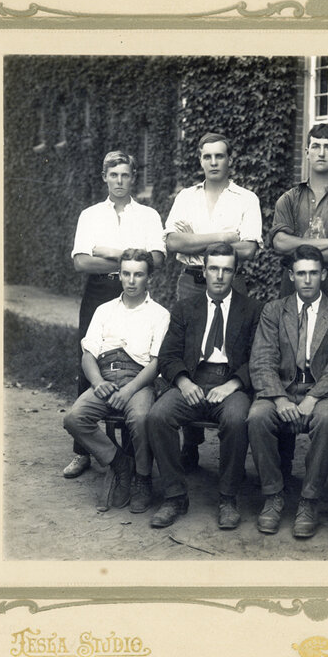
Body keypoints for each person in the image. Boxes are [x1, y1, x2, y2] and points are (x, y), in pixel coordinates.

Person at [164, 132, 263, 472]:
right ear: (200, 159)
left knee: (232, 351)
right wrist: (222, 237)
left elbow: (248, 248)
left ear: (229, 159)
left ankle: (230, 441)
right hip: (191, 283)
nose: (213, 162)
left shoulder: (245, 198)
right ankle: (190, 444)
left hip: (231, 282)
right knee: (191, 355)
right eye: (207, 157)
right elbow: (174, 242)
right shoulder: (186, 197)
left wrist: (197, 242)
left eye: (220, 156)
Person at [145, 242, 262, 530]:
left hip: (231, 382)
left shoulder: (252, 309)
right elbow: (168, 356)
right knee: (158, 416)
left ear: (235, 273)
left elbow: (259, 357)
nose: (220, 276)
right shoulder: (186, 308)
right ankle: (174, 496)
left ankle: (228, 497)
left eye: (226, 270)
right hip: (193, 378)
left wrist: (234, 383)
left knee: (237, 419)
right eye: (213, 269)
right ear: (204, 271)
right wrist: (183, 382)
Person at [65, 151, 165, 479]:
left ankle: (133, 449)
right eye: (114, 175)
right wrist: (129, 259)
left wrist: (107, 252)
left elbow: (156, 260)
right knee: (91, 358)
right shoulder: (91, 215)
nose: (120, 181)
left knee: (134, 357)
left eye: (125, 175)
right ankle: (84, 452)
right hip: (98, 292)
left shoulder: (148, 215)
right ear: (104, 177)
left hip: (136, 290)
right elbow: (81, 262)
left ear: (133, 177)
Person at [247, 246, 328, 537]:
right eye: (301, 273)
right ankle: (274, 494)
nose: (307, 279)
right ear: (291, 276)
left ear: (324, 275)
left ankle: (309, 499)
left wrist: (314, 397)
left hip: (321, 393)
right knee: (257, 416)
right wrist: (278, 398)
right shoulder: (274, 310)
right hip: (283, 389)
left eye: (313, 273)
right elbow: (262, 359)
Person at [62, 250, 170, 514]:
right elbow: (88, 355)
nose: (131, 280)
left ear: (149, 277)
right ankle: (120, 463)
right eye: (126, 274)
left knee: (141, 418)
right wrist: (98, 383)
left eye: (138, 274)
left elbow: (156, 362)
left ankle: (142, 478)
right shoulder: (104, 310)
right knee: (74, 418)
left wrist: (131, 389)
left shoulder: (159, 314)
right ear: (119, 275)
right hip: (105, 376)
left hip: (139, 380)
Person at [269, 122, 328, 308]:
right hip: (294, 285)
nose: (321, 153)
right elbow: (280, 243)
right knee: (290, 336)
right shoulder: (289, 199)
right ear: (307, 152)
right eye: (315, 146)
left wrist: (298, 248)